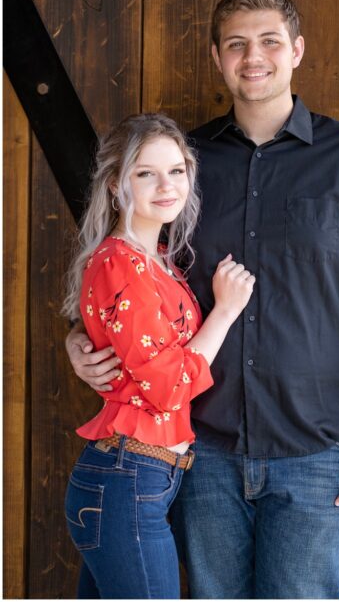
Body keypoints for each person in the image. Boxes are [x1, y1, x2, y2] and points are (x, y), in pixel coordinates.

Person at [66, 0, 339, 598]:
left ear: (297, 50)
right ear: (217, 57)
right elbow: (130, 270)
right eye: (236, 44)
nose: (252, 56)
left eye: (268, 41)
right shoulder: (184, 166)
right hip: (202, 451)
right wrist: (82, 338)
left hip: (315, 452)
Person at [62, 114, 254, 598]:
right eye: (145, 173)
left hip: (140, 480)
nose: (166, 185)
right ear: (114, 184)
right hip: (125, 480)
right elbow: (167, 387)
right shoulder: (119, 263)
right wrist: (225, 313)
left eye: (176, 170)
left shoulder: (159, 259)